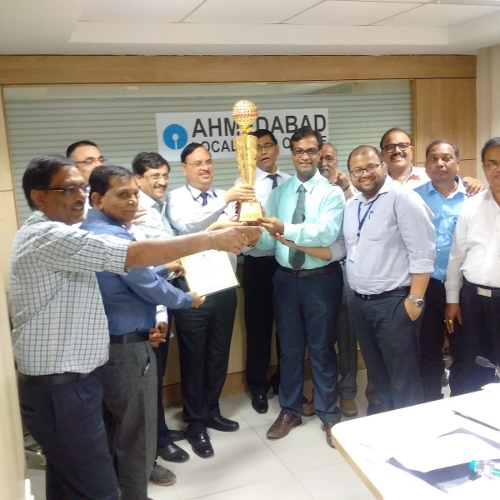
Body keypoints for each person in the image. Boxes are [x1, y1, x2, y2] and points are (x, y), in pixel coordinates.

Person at [10, 154, 259, 500]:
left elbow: (134, 268)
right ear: (39, 197)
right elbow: (132, 257)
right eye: (68, 189)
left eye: (81, 187)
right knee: (99, 487)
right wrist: (212, 240)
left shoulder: (65, 232)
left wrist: (162, 295)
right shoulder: (50, 236)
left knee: (69, 483)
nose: (80, 196)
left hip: (72, 381)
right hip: (63, 388)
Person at [81, 165, 205, 498]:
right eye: (123, 195)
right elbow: (146, 285)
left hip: (104, 348)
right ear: (97, 199)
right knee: (137, 435)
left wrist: (163, 268)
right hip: (126, 351)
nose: (133, 201)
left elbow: (129, 277)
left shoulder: (89, 229)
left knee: (114, 430)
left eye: (135, 194)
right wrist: (186, 299)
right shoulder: (115, 237)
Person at [256, 126, 345, 448]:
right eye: (298, 151)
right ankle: (290, 410)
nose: (304, 157)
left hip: (320, 279)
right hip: (285, 279)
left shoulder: (332, 193)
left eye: (310, 151)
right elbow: (269, 240)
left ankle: (329, 414)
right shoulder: (279, 194)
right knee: (290, 350)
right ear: (291, 153)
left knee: (322, 349)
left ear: (319, 153)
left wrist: (285, 228)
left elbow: (325, 234)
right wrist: (250, 232)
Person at [166, 143, 255, 458]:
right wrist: (225, 200)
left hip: (224, 285)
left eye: (208, 162)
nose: (205, 167)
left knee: (218, 352)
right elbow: (190, 225)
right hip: (194, 289)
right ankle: (195, 422)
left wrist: (248, 231)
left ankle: (212, 410)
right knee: (194, 357)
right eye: (198, 163)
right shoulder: (177, 198)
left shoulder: (225, 198)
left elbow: (238, 237)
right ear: (185, 168)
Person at [343, 145, 435, 412]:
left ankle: (411, 433)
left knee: (403, 378)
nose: (365, 174)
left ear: (383, 166)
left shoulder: (403, 198)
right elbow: (342, 248)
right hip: (362, 303)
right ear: (351, 175)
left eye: (371, 167)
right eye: (357, 170)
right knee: (378, 374)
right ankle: (389, 427)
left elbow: (423, 252)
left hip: (395, 303)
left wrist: (415, 300)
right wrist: (288, 237)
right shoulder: (351, 206)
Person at [132, 152, 191, 467]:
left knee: (156, 375)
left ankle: (160, 432)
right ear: (138, 179)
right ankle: (158, 442)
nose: (162, 181)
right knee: (148, 378)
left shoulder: (159, 207)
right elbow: (145, 268)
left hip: (160, 302)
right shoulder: (138, 212)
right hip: (146, 307)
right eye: (155, 176)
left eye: (165, 175)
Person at [235, 129, 291, 414]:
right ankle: (258, 386)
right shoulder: (243, 185)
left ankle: (285, 381)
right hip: (257, 264)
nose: (263, 152)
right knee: (258, 328)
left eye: (268, 146)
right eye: (257, 148)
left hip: (285, 263)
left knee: (287, 328)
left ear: (277, 148)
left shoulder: (291, 182)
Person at [414, 140, 471, 401]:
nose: (440, 163)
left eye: (446, 158)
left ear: (457, 163)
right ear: (425, 165)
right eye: (433, 158)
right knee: (428, 351)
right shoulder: (414, 198)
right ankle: (430, 403)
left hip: (463, 288)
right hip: (426, 286)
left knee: (463, 349)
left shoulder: (474, 198)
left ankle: (461, 402)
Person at [445, 137, 500, 392]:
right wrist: (452, 300)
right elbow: (457, 255)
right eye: (492, 163)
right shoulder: (471, 206)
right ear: (484, 167)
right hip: (472, 301)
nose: (497, 169)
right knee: (472, 368)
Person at [380, 128, 481, 194]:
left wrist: (470, 183)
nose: (397, 151)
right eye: (390, 147)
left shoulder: (431, 175)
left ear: (412, 150)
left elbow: (452, 184)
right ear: (382, 154)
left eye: (403, 146)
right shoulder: (376, 182)